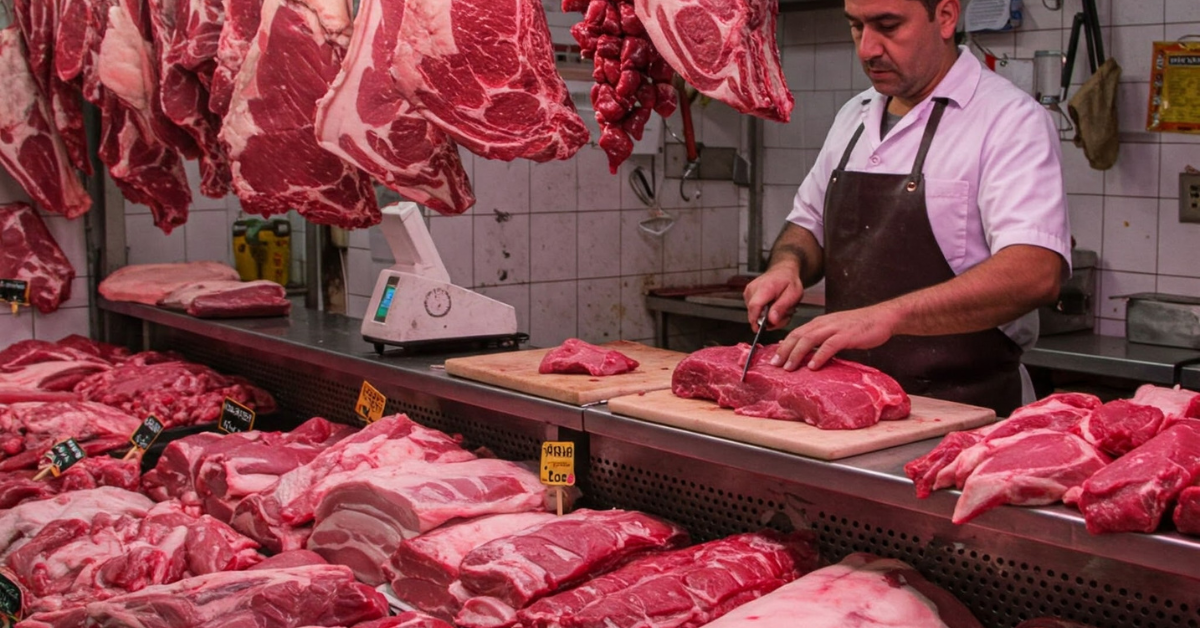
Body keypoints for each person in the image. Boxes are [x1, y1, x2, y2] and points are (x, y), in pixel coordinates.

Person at [742, 0, 1070, 416]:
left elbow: (1035, 273)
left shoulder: (1010, 120)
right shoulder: (853, 116)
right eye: (857, 27)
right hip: (848, 404)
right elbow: (806, 227)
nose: (867, 48)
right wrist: (786, 268)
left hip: (965, 414)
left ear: (946, 17)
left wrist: (888, 317)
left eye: (888, 25)